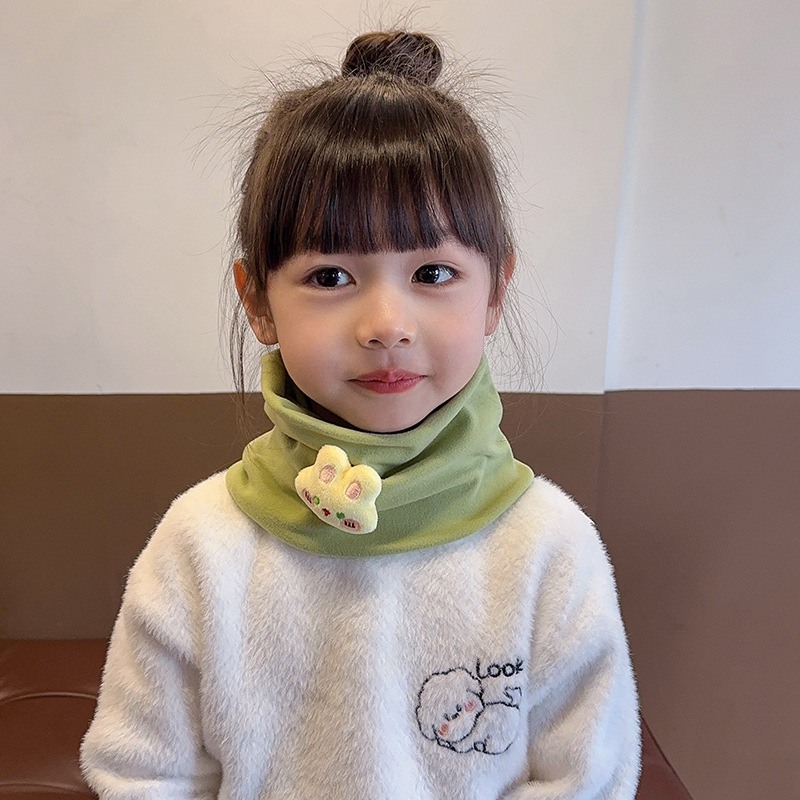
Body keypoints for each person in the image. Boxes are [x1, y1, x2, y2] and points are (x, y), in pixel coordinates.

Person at [81, 30, 641, 800]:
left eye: (433, 272)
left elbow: (587, 780)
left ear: (495, 291)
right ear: (257, 301)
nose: (385, 324)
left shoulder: (550, 548)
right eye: (330, 275)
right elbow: (142, 773)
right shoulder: (199, 545)